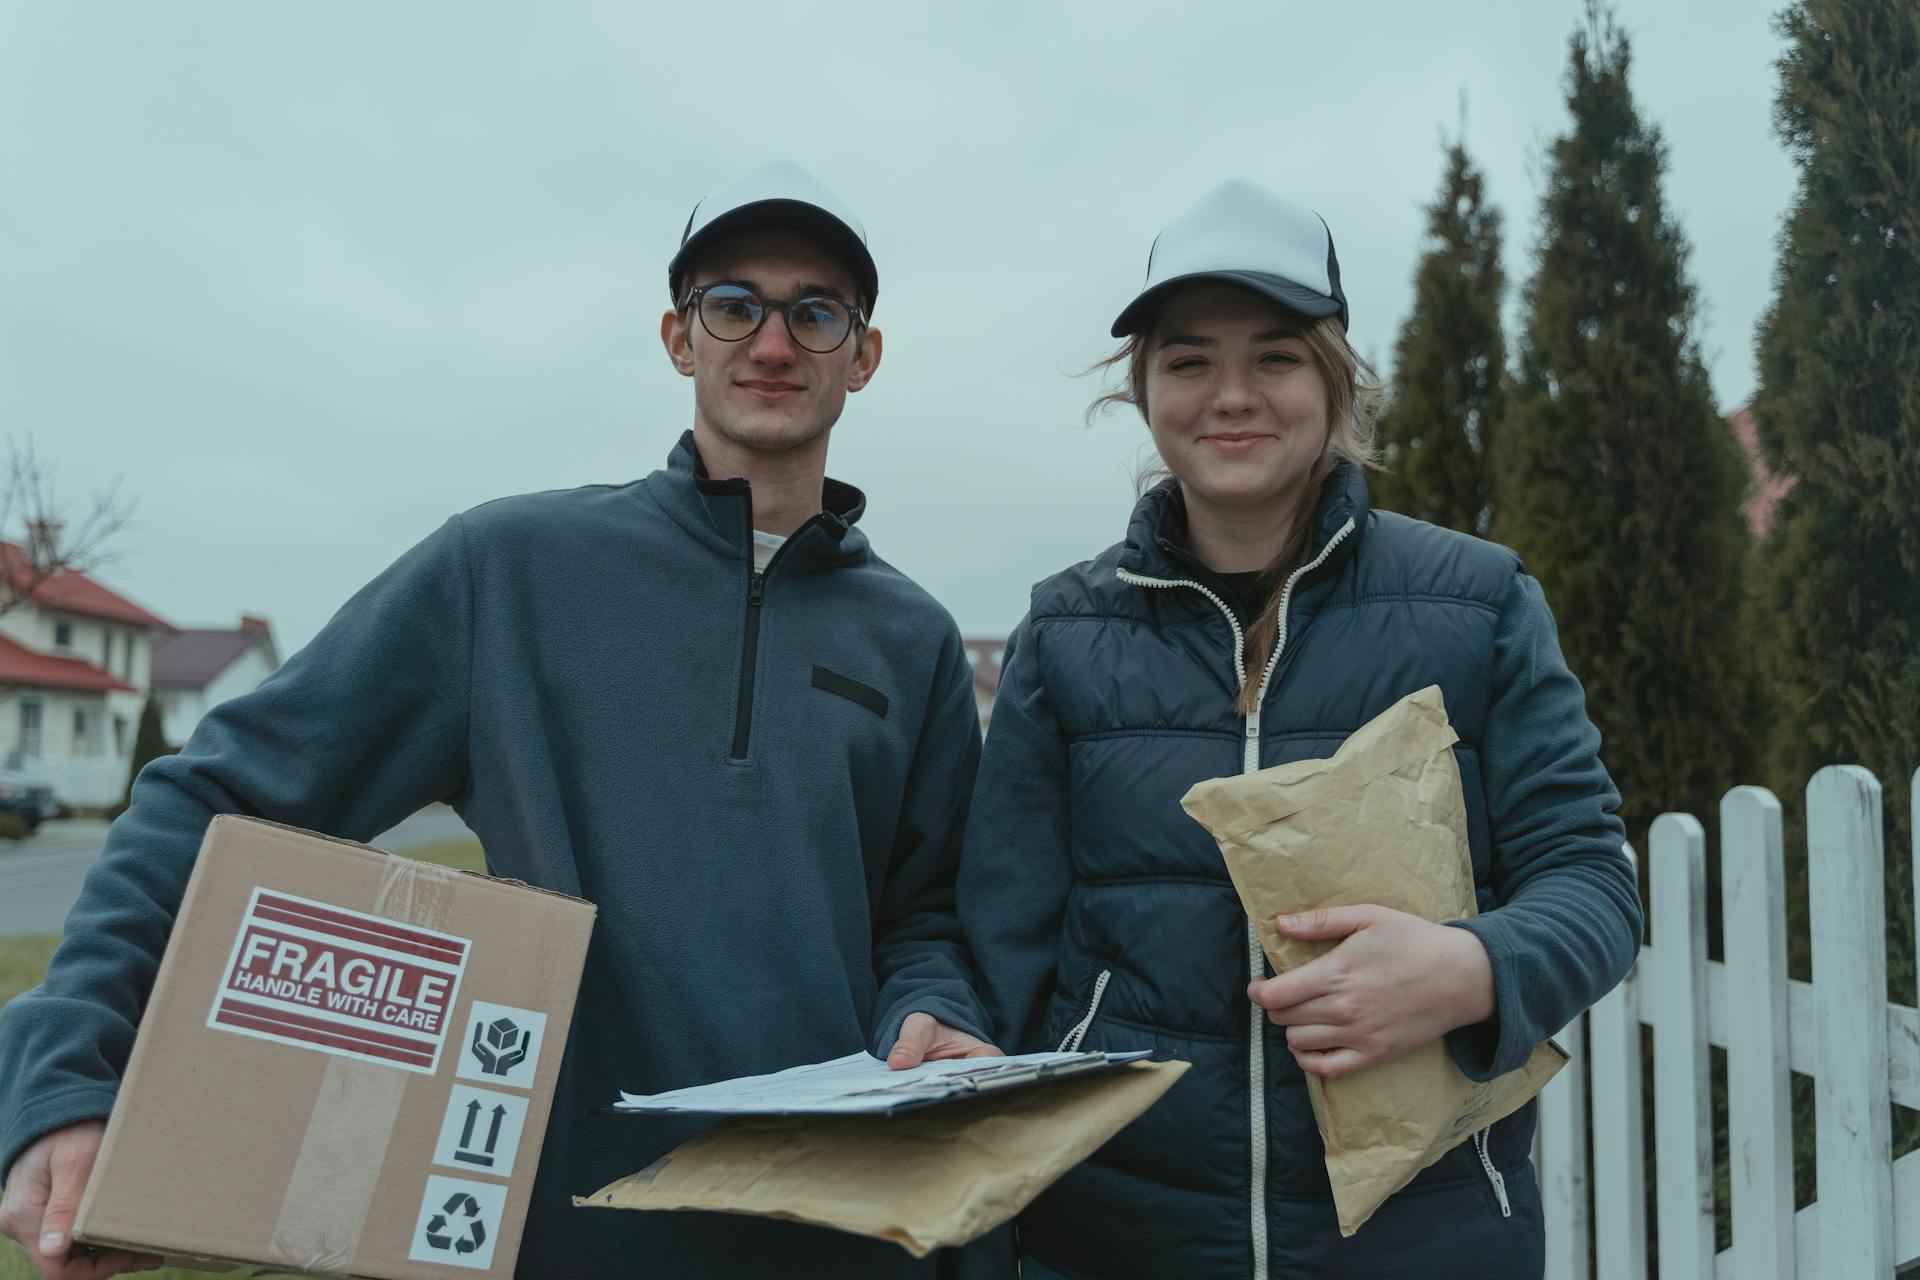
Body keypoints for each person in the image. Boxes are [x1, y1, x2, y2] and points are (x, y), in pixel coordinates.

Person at [0, 160, 1003, 1280]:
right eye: (735, 304)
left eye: (817, 312)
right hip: (551, 1226)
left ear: (862, 354)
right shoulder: (508, 571)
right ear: (679, 337)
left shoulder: (912, 636)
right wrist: (67, 1075)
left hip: (837, 1232)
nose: (773, 342)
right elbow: (213, 794)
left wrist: (931, 1007)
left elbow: (923, 912)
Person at [957, 179, 1643, 1279]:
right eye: (1189, 360)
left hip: (1428, 1237)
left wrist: (1471, 965)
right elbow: (999, 944)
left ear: (1335, 379)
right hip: (1114, 1239)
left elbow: (1594, 885)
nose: (1232, 394)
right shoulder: (1066, 631)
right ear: (1143, 390)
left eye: (1275, 356)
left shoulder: (1480, 605)